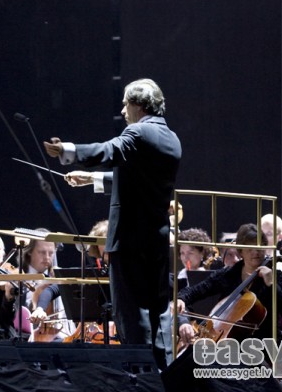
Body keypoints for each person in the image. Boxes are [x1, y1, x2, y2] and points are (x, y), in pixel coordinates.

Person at [44, 78, 181, 357]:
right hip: (155, 240)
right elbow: (137, 179)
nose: (122, 110)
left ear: (138, 105)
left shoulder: (138, 132)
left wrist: (69, 150)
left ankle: (140, 368)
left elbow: (110, 150)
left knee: (132, 312)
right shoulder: (171, 138)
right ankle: (162, 368)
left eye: (125, 104)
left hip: (129, 240)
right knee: (158, 311)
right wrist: (91, 179)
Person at [174, 223, 282, 345]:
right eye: (250, 248)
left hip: (264, 347)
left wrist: (272, 285)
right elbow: (193, 292)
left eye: (260, 247)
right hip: (228, 345)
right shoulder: (228, 275)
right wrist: (181, 303)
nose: (256, 252)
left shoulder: (278, 277)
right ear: (241, 252)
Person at [22, 231, 75, 342]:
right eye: (42, 252)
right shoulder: (21, 278)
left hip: (66, 334)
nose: (47, 257)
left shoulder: (56, 277)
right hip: (35, 336)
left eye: (51, 253)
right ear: (30, 251)